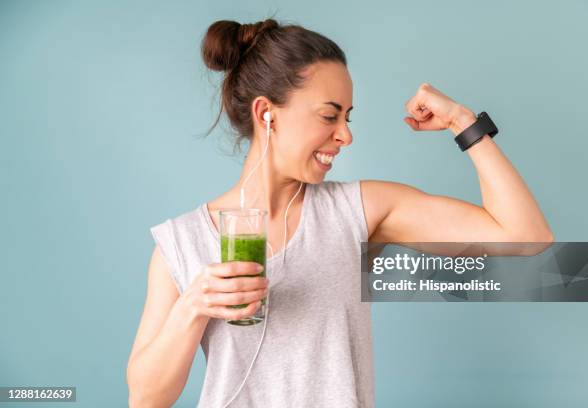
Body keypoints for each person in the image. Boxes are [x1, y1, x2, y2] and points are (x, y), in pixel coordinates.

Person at [126, 19, 553, 407]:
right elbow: (145, 398)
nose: (345, 135)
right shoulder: (181, 243)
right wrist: (193, 307)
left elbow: (527, 236)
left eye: (347, 117)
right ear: (266, 114)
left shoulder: (360, 212)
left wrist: (464, 121)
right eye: (330, 115)